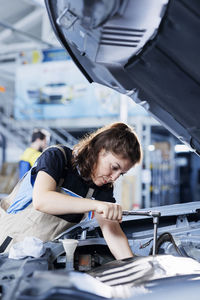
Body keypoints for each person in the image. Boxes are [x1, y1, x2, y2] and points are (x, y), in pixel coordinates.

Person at [31, 122, 142, 260]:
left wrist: (130, 265)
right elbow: (41, 200)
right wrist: (97, 205)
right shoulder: (56, 157)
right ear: (99, 151)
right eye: (114, 167)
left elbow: (113, 234)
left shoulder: (103, 188)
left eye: (121, 174)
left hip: (41, 256)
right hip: (9, 250)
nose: (114, 178)